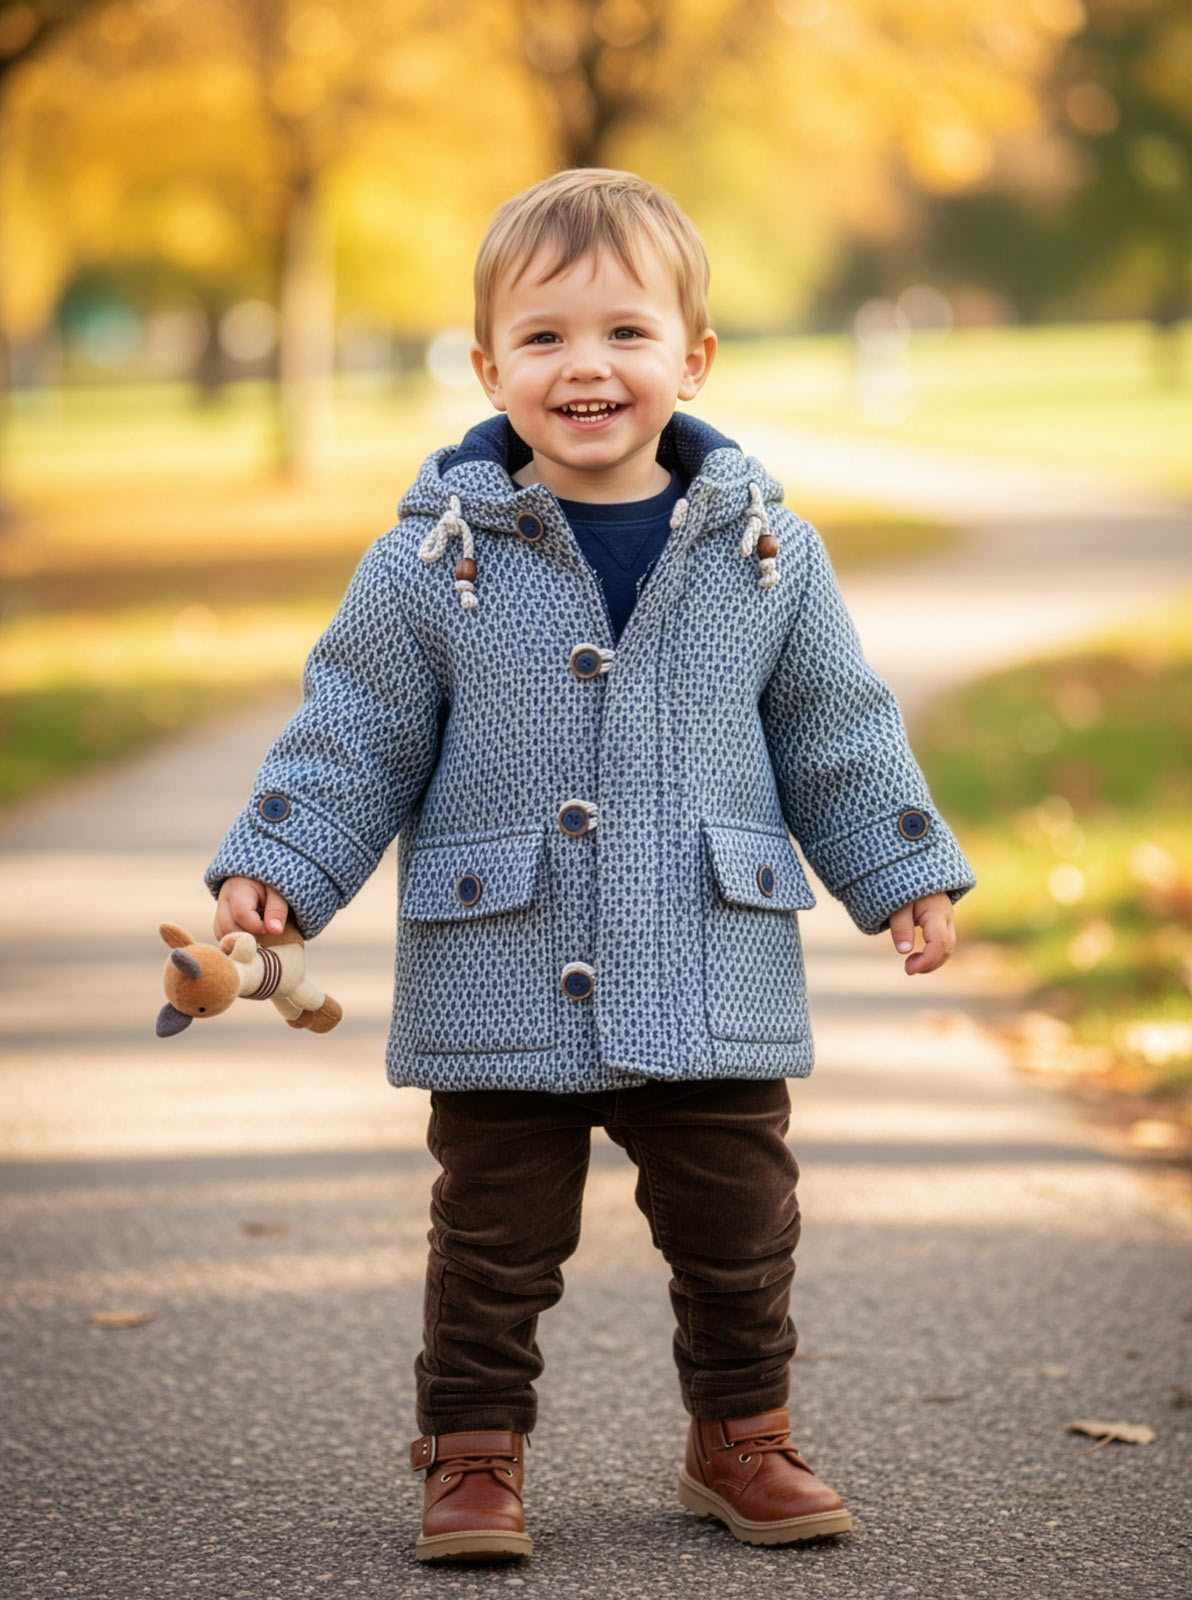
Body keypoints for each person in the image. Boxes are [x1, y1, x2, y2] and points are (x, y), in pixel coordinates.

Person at [206, 168, 976, 1564]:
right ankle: (472, 1451)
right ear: (488, 367)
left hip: (708, 962)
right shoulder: (430, 561)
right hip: (505, 967)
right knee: (493, 1241)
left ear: (695, 357)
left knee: (741, 1228)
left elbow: (836, 727)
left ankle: (742, 1434)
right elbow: (355, 732)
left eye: (627, 332)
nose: (587, 367)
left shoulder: (767, 553)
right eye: (545, 337)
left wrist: (898, 870)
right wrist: (284, 865)